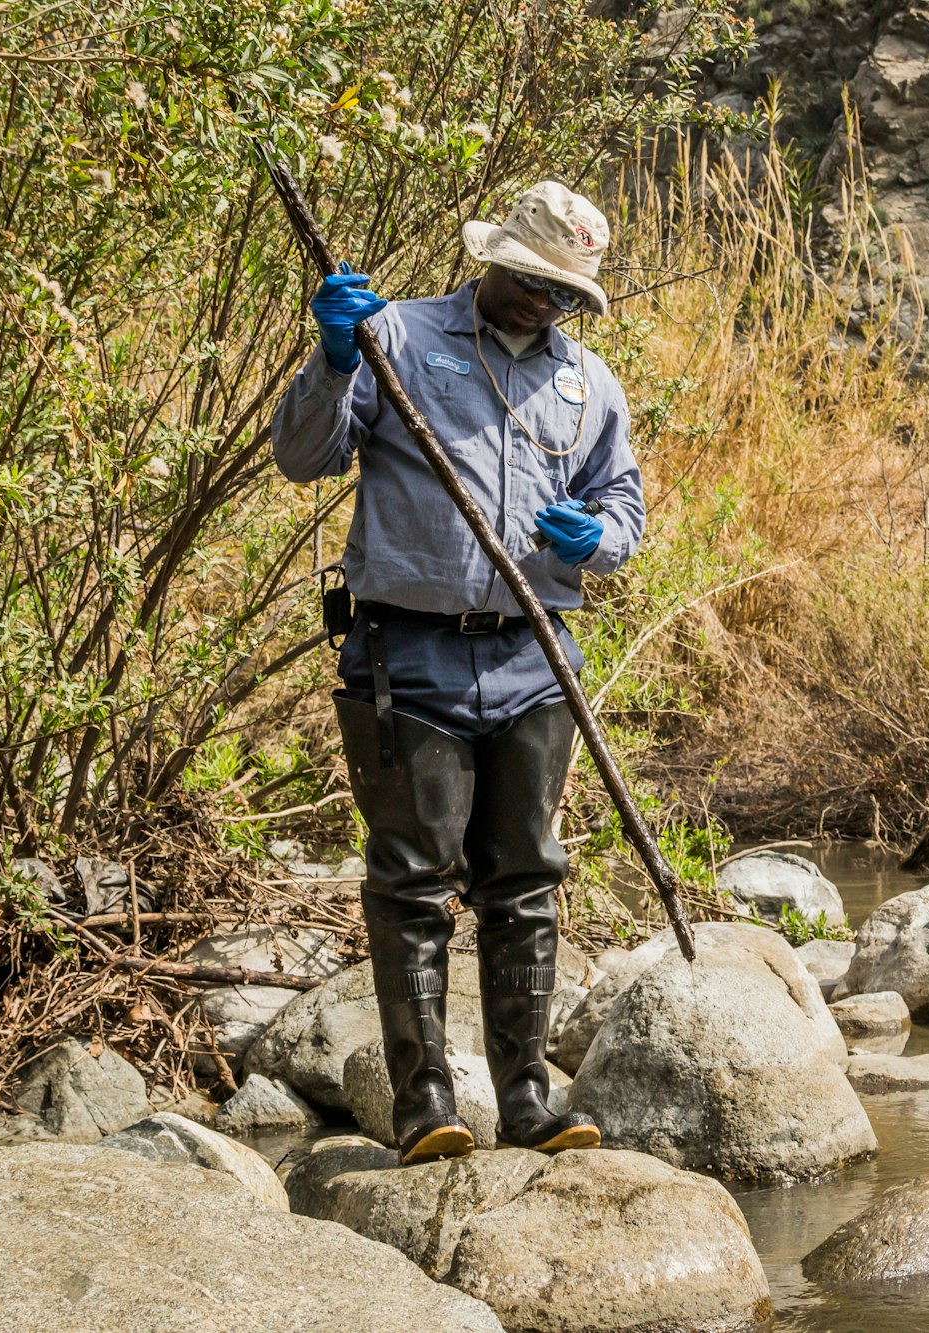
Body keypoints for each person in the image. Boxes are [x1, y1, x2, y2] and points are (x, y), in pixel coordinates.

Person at [270, 182, 643, 1165]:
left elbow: (626, 513)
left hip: (535, 656)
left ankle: (526, 1102)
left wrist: (597, 537)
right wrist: (333, 356)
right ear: (495, 262)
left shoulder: (589, 386)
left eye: (564, 295)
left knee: (524, 879)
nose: (543, 304)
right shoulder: (394, 338)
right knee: (411, 883)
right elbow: (302, 454)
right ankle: (424, 1103)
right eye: (531, 282)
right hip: (407, 655)